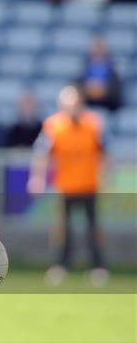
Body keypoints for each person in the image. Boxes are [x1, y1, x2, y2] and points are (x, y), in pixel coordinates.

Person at [28, 86, 109, 287]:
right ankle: (60, 266)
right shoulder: (53, 125)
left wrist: (107, 177)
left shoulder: (94, 124)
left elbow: (104, 152)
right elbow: (42, 154)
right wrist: (37, 178)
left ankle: (97, 267)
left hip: (90, 185)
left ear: (80, 103)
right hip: (65, 186)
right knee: (63, 230)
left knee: (93, 228)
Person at [78, 36, 123, 113]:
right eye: (95, 52)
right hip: (87, 112)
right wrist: (88, 91)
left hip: (109, 111)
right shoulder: (83, 73)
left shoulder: (114, 75)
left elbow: (117, 97)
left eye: (101, 52)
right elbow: (77, 91)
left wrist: (103, 92)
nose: (98, 54)